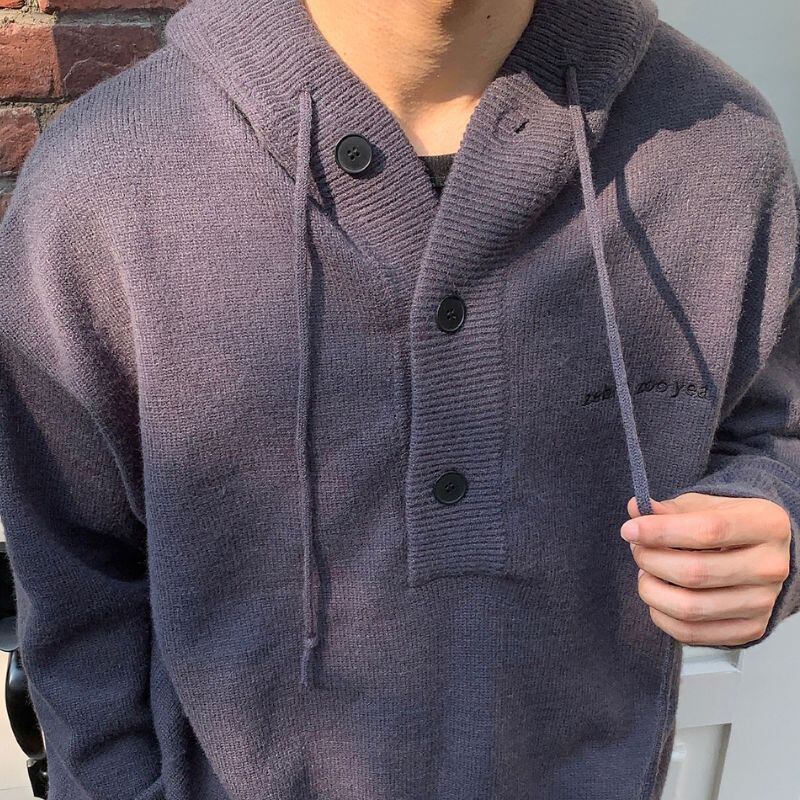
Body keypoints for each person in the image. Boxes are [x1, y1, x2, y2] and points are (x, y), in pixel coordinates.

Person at [0, 0, 798, 797]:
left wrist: (774, 521)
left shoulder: (721, 150)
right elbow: (71, 589)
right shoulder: (103, 180)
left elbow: (779, 434)